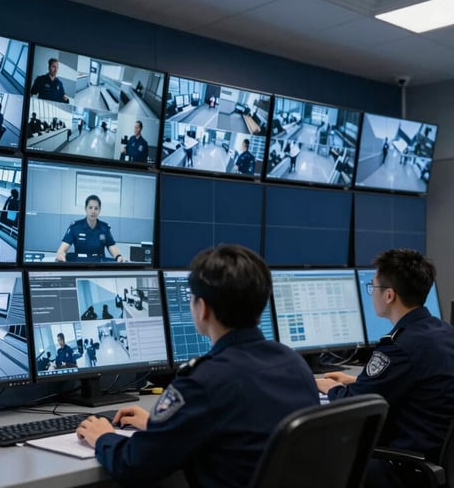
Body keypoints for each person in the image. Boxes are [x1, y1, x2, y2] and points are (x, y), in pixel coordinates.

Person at [76, 244, 319, 487]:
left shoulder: (202, 382)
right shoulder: (293, 363)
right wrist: (158, 424)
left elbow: (134, 464)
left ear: (202, 309)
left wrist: (102, 437)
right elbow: (241, 429)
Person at [316, 249, 454, 488]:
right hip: (437, 459)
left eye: (373, 287)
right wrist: (352, 380)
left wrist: (330, 388)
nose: (372, 294)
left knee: (318, 460)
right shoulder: (443, 332)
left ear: (389, 295)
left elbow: (355, 404)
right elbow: (409, 383)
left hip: (405, 469)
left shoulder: (399, 346)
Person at [55, 195, 125, 263]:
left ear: (99, 210)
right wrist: (61, 254)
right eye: (90, 208)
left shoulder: (104, 228)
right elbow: (62, 250)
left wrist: (118, 257)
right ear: (86, 209)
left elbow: (112, 247)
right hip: (80, 267)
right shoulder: (75, 227)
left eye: (96, 208)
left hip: (99, 268)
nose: (93, 211)